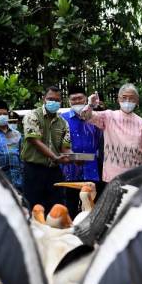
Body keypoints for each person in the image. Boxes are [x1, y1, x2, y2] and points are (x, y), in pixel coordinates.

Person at [82, 83, 142, 182]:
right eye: (124, 97)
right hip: (111, 178)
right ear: (118, 99)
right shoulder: (108, 116)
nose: (127, 101)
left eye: (132, 98)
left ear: (137, 101)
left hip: (135, 178)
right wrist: (90, 105)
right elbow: (85, 117)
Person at [21, 86, 72, 213]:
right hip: (34, 170)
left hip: (54, 172)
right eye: (50, 99)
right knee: (34, 209)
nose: (53, 102)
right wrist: (54, 157)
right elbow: (34, 141)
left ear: (61, 102)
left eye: (57, 99)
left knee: (56, 209)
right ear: (44, 99)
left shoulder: (63, 123)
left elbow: (65, 148)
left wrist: (73, 157)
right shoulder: (32, 116)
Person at [60, 85, 103, 217]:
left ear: (86, 99)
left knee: (92, 205)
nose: (77, 102)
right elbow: (59, 145)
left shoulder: (95, 117)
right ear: (69, 101)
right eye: (74, 99)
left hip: (92, 168)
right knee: (70, 206)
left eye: (80, 98)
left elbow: (102, 140)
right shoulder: (62, 119)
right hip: (69, 169)